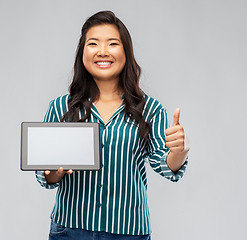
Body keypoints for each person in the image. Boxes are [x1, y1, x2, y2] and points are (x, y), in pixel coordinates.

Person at [35, 10, 189, 240]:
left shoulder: (150, 109)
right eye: (93, 43)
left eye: (112, 43)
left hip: (128, 232)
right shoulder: (61, 107)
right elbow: (44, 174)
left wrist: (180, 151)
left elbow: (166, 166)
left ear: (126, 52)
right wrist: (54, 174)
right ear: (82, 53)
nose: (102, 51)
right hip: (70, 230)